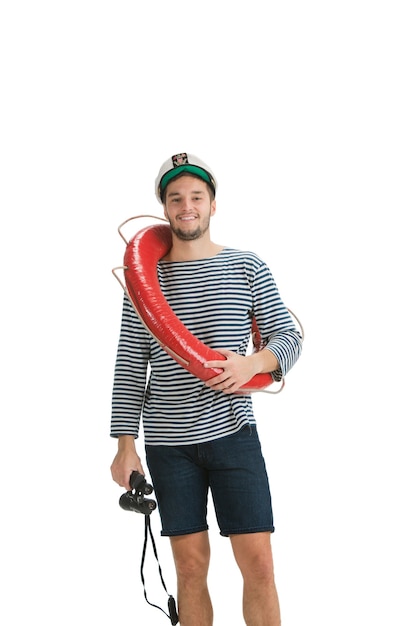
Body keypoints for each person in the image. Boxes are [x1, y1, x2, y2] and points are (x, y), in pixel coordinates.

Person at [110, 152, 303, 626]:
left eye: (197, 196)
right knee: (189, 568)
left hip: (233, 433)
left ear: (213, 204)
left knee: (258, 564)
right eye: (176, 198)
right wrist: (124, 446)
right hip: (168, 444)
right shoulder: (143, 283)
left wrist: (255, 363)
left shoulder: (246, 265)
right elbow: (130, 365)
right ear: (165, 208)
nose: (187, 205)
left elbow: (288, 336)